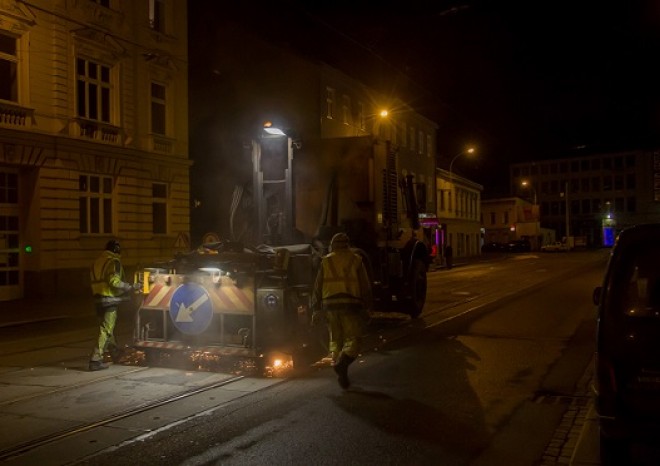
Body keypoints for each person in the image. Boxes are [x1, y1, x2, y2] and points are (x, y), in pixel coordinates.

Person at [312, 232, 372, 389]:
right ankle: (342, 365)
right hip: (350, 305)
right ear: (348, 245)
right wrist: (368, 307)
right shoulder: (356, 260)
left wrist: (316, 308)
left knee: (336, 341)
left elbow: (317, 287)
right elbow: (365, 286)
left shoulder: (325, 261)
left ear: (332, 245)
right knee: (354, 340)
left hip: (329, 307)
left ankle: (341, 374)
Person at [89, 240, 139, 371]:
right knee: (106, 330)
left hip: (97, 299)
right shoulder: (113, 262)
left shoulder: (97, 261)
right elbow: (114, 281)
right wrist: (130, 287)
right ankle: (96, 359)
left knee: (106, 327)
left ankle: (115, 351)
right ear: (117, 250)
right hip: (109, 300)